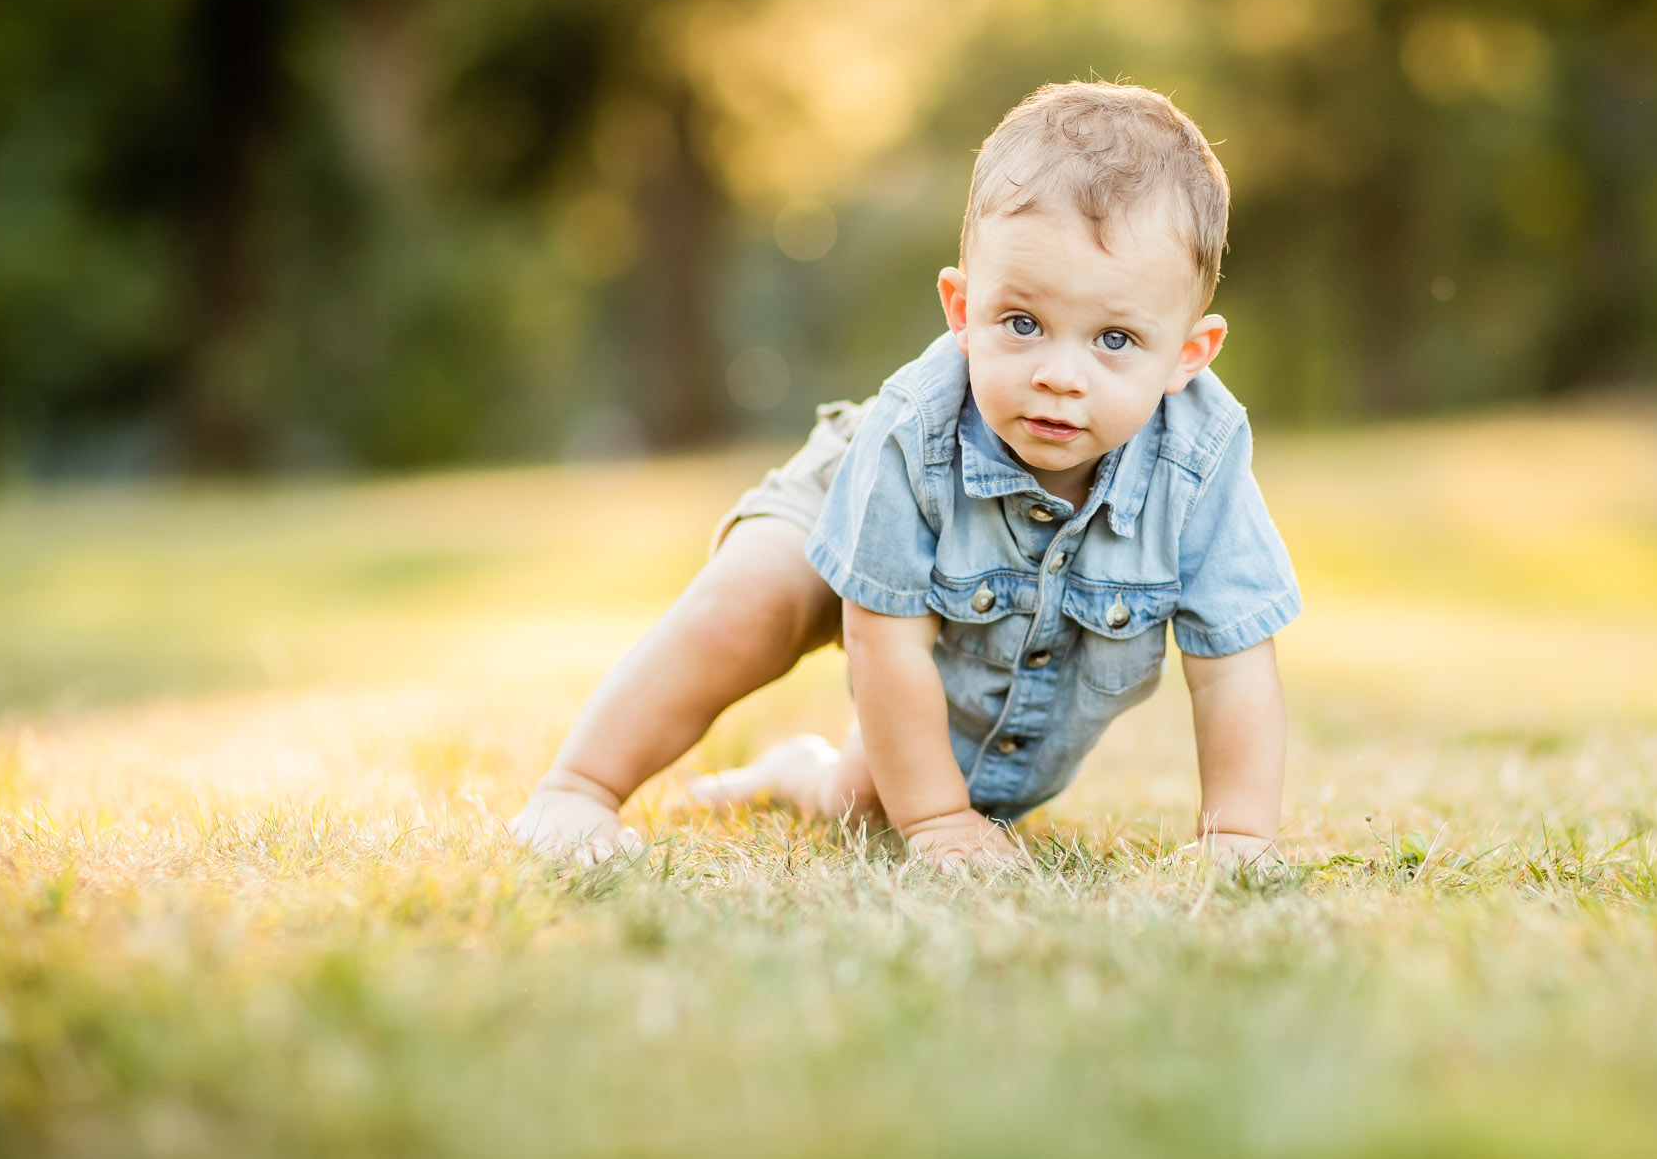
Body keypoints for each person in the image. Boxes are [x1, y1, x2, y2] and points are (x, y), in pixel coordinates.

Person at [509, 81, 1302, 871]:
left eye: (1116, 339)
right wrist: (941, 823)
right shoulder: (911, 427)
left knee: (864, 803)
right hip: (857, 496)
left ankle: (800, 771)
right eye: (1021, 324)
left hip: (999, 631)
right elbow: (882, 639)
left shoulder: (1200, 458)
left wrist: (1237, 839)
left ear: (1188, 356)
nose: (1061, 374)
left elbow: (1232, 664)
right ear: (962, 309)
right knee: (754, 601)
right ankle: (578, 785)